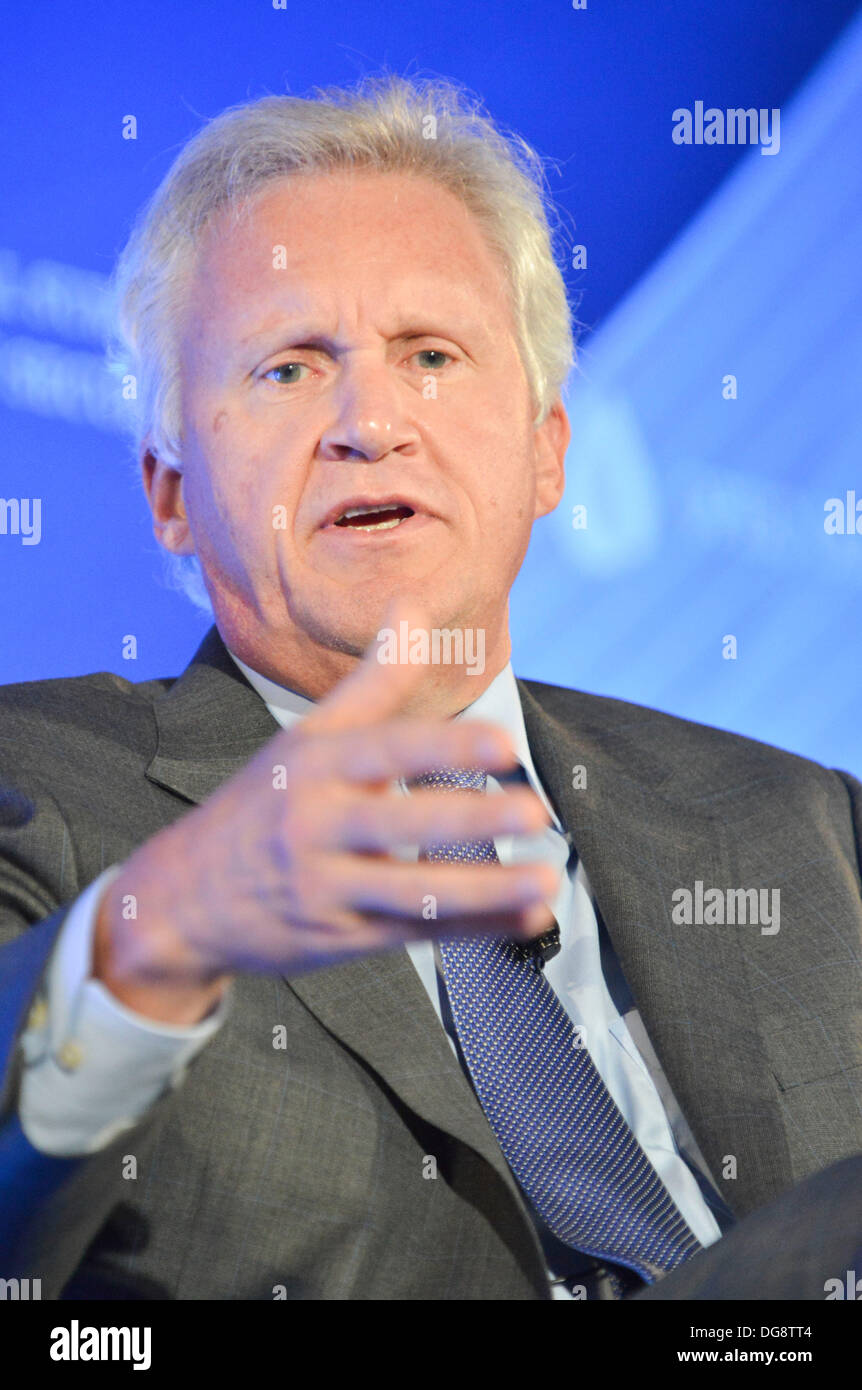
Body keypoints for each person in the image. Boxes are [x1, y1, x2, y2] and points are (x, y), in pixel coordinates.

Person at [1, 73, 860, 1302]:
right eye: (289, 368)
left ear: (547, 448)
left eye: (432, 354)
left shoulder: (809, 825)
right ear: (170, 493)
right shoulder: (37, 788)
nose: (369, 421)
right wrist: (160, 932)